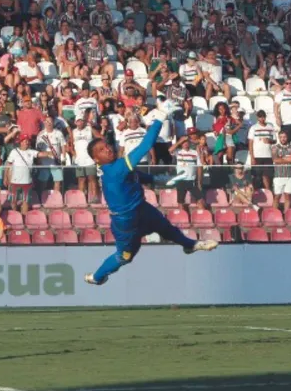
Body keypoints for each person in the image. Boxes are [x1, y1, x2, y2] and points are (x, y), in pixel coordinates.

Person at [85, 101, 218, 286]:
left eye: (106, 145)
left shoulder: (118, 168)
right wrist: (161, 115)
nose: (107, 149)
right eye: (101, 150)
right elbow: (145, 145)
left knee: (165, 226)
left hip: (139, 209)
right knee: (125, 257)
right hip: (125, 221)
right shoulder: (116, 168)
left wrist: (156, 180)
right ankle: (97, 277)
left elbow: (136, 176)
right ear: (95, 159)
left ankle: (190, 245)